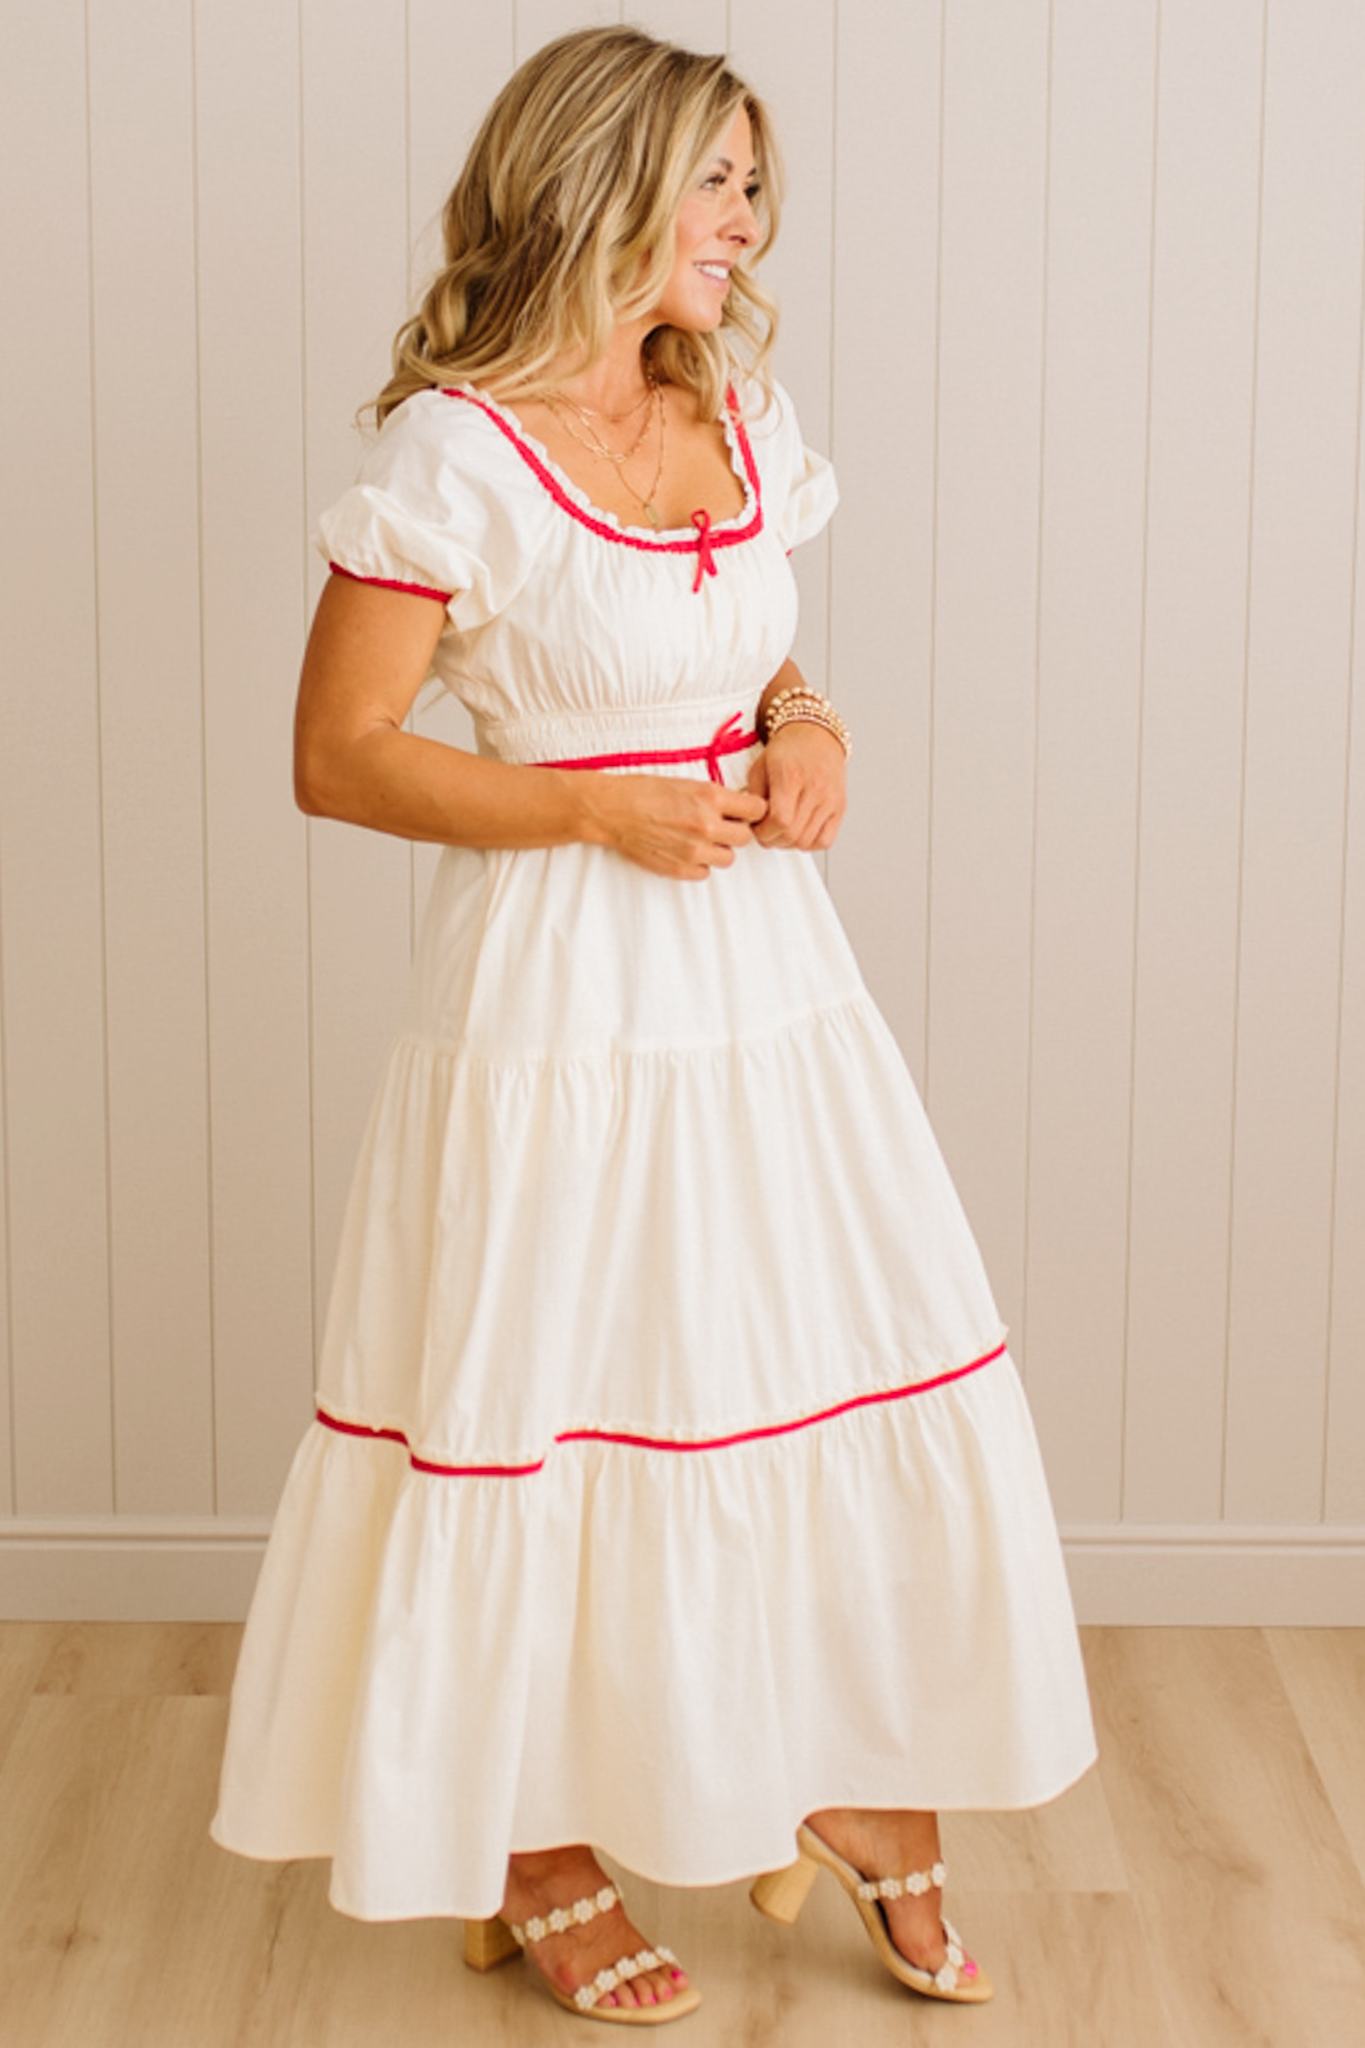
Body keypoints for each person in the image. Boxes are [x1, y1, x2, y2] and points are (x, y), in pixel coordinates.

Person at [212, 24, 1096, 2026]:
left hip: (768, 975)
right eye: (711, 184)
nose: (745, 225)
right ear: (598, 188)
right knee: (556, 1379)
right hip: (556, 986)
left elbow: (752, 645)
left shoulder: (737, 409)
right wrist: (593, 807)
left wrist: (811, 723)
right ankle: (529, 1839)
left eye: (751, 188)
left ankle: (848, 1783)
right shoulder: (452, 455)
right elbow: (336, 757)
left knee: (795, 1347)